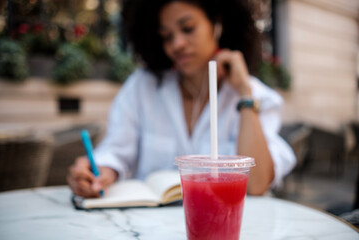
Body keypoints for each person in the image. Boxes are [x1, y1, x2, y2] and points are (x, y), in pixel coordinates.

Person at [67, 0, 296, 198]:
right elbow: (116, 152)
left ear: (217, 24)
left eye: (187, 28)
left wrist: (245, 95)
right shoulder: (142, 87)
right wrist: (99, 172)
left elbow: (256, 184)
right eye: (166, 36)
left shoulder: (256, 97)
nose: (177, 44)